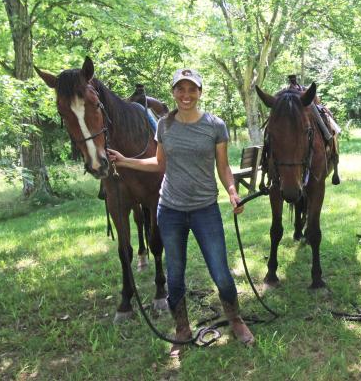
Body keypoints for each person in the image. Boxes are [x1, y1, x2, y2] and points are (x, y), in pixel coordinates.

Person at [107, 68, 254, 356]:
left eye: (192, 89)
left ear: (200, 92)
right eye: (180, 89)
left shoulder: (215, 125)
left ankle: (236, 320)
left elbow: (223, 166)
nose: (186, 95)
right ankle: (182, 328)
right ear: (174, 92)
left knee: (221, 272)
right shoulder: (164, 126)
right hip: (170, 211)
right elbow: (159, 164)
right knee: (174, 276)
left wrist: (233, 191)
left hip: (205, 210)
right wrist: (125, 161)